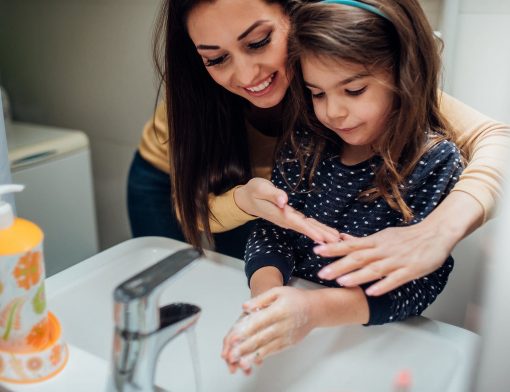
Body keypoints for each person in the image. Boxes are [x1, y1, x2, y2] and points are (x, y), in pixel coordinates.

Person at [127, 0, 509, 284]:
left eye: (259, 42)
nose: (245, 74)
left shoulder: (340, 70)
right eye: (215, 59)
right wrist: (243, 201)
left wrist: (438, 230)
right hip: (180, 186)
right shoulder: (196, 100)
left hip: (268, 202)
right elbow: (190, 213)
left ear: (294, 16)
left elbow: (496, 137)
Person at [221, 0, 464, 373]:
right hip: (298, 321)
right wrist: (268, 297)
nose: (332, 111)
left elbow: (419, 282)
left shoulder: (433, 161)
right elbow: (274, 231)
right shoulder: (306, 141)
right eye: (317, 93)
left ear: (404, 74)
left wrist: (313, 311)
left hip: (372, 341)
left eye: (353, 90)